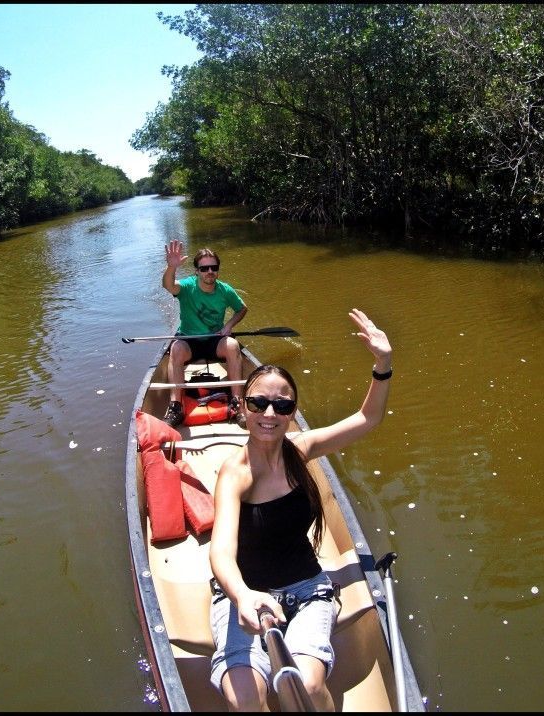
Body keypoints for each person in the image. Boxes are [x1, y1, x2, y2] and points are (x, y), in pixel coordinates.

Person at [208, 308, 392, 712]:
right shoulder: (235, 473)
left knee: (306, 690)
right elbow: (220, 551)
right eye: (259, 403)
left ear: (293, 411)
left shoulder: (301, 450)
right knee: (246, 699)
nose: (270, 415)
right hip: (243, 594)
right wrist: (242, 595)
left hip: (306, 590)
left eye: (282, 405)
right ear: (243, 408)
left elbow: (368, 418)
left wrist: (382, 364)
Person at [162, 239, 248, 427]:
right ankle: (175, 406)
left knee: (233, 346)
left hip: (214, 340)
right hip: (188, 341)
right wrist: (171, 268)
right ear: (196, 271)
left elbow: (242, 309)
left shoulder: (225, 290)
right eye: (204, 268)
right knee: (176, 349)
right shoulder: (186, 287)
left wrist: (229, 326)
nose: (210, 272)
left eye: (213, 267)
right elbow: (169, 286)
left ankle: (236, 403)